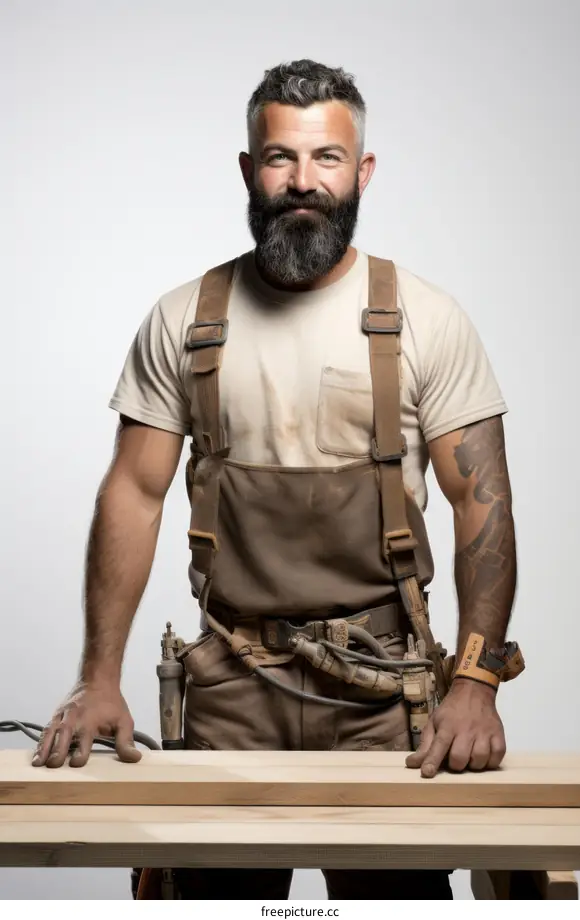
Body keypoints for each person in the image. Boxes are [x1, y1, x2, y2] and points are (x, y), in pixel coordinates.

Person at [32, 60, 517, 900]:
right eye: (280, 159)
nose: (303, 182)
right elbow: (133, 495)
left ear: (361, 172)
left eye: (327, 158)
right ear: (249, 168)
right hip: (229, 689)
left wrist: (473, 686)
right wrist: (99, 676)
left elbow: (484, 502)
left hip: (383, 698)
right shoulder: (186, 318)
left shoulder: (426, 320)